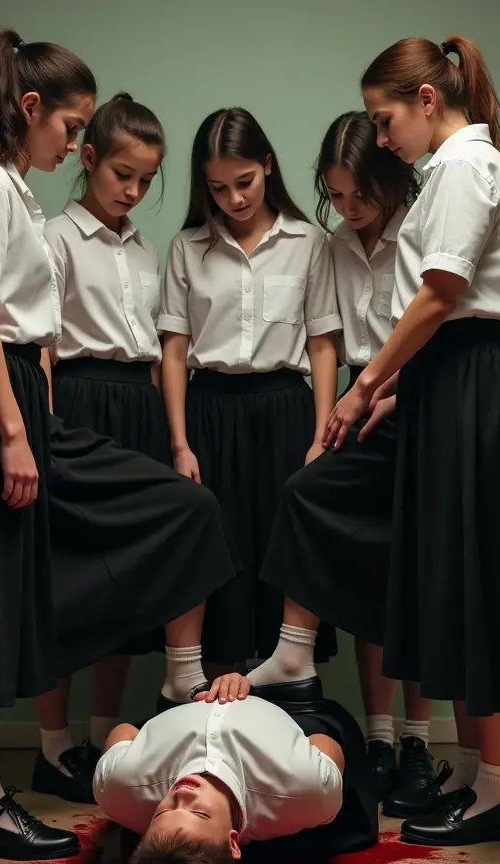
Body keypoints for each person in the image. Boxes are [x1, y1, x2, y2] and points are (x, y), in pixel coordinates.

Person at [0, 29, 235, 861]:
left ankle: (179, 681)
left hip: (12, 399)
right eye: (73, 127)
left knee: (181, 511)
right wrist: (14, 433)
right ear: (31, 108)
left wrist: (31, 424)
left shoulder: (10, 186)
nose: (76, 144)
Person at [320, 34, 500, 845]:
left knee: (486, 575)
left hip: (474, 383)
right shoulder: (448, 172)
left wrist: (366, 384)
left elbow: (441, 295)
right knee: (459, 574)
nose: (381, 137)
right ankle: (471, 770)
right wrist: (398, 394)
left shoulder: (466, 167)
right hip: (447, 383)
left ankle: (499, 790)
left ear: (428, 100)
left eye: (384, 119)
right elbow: (434, 312)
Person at [256, 110, 439, 816]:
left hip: (415, 403)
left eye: (359, 194)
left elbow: (434, 327)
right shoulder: (333, 246)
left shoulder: (424, 229)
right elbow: (326, 340)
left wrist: (387, 396)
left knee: (413, 570)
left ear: (389, 180)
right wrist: (321, 425)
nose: (348, 207)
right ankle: (380, 738)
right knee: (318, 509)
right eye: (334, 195)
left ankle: (418, 744)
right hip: (359, 405)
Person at [159, 108, 341, 678]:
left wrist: (321, 436)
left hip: (286, 408)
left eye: (245, 182)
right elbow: (172, 350)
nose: (234, 198)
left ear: (267, 166)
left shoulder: (309, 242)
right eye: (218, 187)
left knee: (281, 549)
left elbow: (322, 344)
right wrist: (180, 443)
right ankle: (210, 708)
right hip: (209, 410)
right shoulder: (188, 247)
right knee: (219, 552)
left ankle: (284, 693)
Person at [34, 93, 169, 803]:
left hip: (137, 406)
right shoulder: (53, 237)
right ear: (88, 159)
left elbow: (151, 348)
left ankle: (102, 737)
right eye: (123, 173)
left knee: (124, 582)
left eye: (147, 179)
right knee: (67, 576)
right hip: (79, 401)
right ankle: (52, 748)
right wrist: (49, 430)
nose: (134, 190)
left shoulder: (146, 249)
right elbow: (46, 347)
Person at [93, 674, 377, 864]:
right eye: (200, 813)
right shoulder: (308, 791)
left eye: (162, 812)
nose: (183, 793)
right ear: (233, 842)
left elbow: (125, 731)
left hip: (180, 699)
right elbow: (325, 743)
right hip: (280, 702)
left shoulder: (118, 790)